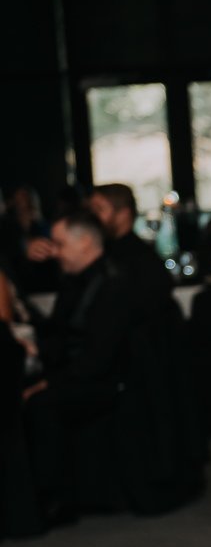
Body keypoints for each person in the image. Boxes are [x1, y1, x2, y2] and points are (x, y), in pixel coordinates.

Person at [22, 211, 132, 521]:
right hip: (79, 372)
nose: (54, 252)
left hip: (103, 379)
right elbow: (59, 334)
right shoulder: (73, 281)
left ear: (84, 243)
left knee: (41, 404)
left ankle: (54, 500)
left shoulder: (112, 284)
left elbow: (98, 357)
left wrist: (52, 382)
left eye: (59, 244)